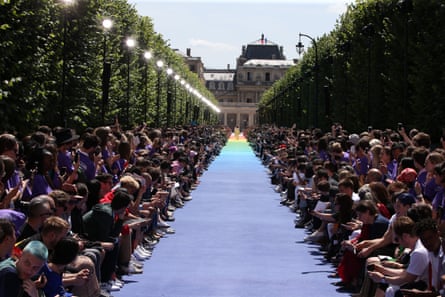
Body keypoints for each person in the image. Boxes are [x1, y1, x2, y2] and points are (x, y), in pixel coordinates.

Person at [368, 216, 429, 297]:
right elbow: (406, 272)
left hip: (425, 287)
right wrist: (383, 270)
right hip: (421, 284)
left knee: (391, 289)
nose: (397, 243)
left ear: (405, 236)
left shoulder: (418, 252)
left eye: (397, 239)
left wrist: (383, 279)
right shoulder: (417, 247)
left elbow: (406, 279)